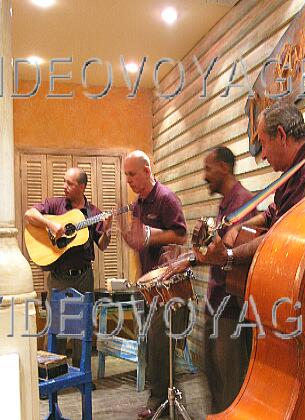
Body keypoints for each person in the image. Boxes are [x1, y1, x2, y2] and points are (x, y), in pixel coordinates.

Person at [195, 102, 305, 271]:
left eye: (263, 144)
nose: (263, 155)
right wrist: (237, 227)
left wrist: (229, 257)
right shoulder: (293, 172)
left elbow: (281, 236)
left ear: (281, 135)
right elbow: (271, 213)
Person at [119, 150, 188, 420]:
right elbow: (140, 240)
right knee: (151, 345)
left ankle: (162, 401)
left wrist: (148, 237)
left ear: (147, 171)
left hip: (167, 287)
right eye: (126, 175)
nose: (128, 180)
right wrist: (131, 238)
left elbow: (181, 236)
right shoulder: (137, 205)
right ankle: (162, 398)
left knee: (162, 345)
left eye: (132, 174)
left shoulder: (166, 199)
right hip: (147, 287)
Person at [24, 167, 113, 368]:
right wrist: (51, 224)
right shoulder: (55, 204)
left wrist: (107, 230)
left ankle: (82, 373)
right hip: (58, 277)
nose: (64, 186)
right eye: (64, 182)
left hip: (83, 276)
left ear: (82, 187)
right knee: (56, 327)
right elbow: (29, 214)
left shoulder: (93, 213)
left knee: (83, 327)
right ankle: (53, 375)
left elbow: (103, 245)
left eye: (69, 183)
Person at [200, 147, 255, 413]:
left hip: (231, 310)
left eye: (208, 169)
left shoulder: (244, 203)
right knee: (214, 380)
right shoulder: (226, 205)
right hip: (216, 306)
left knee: (230, 387)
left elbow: (242, 255)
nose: (204, 176)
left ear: (224, 167)